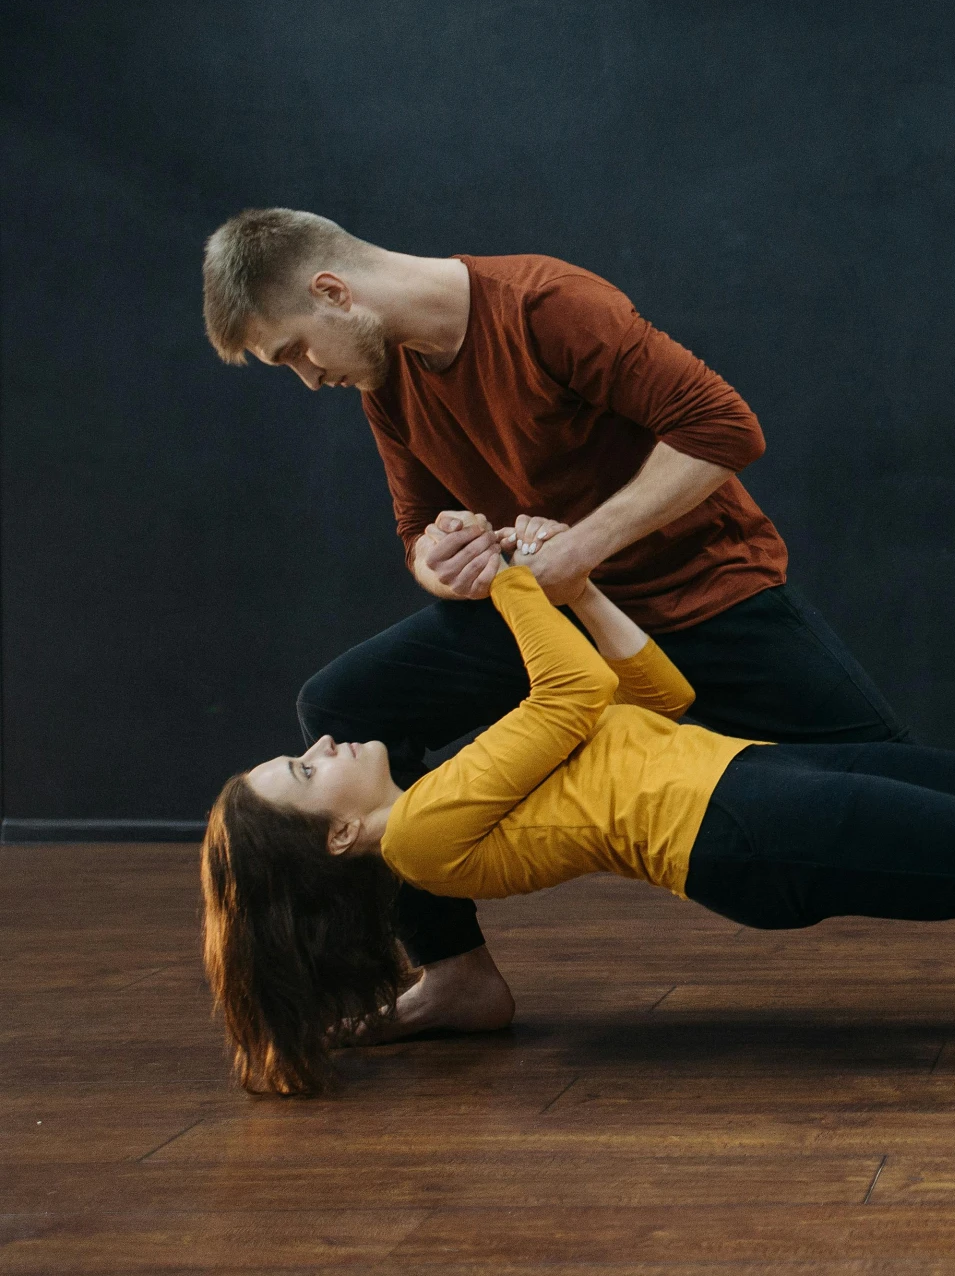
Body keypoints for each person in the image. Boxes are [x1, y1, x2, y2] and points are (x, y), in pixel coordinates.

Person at [199, 544, 955, 1106]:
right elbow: (571, 690)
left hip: (746, 781)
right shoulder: (422, 837)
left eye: (300, 749)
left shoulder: (451, 781)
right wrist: (520, 574)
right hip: (743, 832)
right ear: (341, 842)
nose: (324, 741)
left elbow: (651, 696)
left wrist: (585, 586)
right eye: (306, 773)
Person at [202, 208, 913, 1043]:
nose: (307, 378)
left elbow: (723, 429)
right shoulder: (386, 378)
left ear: (331, 291)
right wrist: (444, 558)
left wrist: (581, 550)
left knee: (905, 794)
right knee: (347, 702)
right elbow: (416, 534)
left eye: (292, 352)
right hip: (559, 612)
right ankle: (457, 976)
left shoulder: (546, 307)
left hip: (705, 594)